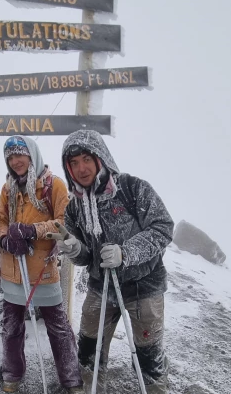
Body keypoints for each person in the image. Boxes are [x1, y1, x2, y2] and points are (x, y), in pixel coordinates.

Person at [49, 130, 173, 394]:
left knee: (147, 354)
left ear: (100, 158)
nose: (81, 168)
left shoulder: (132, 188)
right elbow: (86, 257)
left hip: (144, 286)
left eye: (86, 159)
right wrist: (73, 247)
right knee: (88, 348)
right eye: (73, 163)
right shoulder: (75, 207)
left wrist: (126, 252)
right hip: (100, 285)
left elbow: (163, 227)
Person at [0, 135, 83, 394]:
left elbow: (64, 222)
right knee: (11, 327)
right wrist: (5, 239)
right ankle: (12, 375)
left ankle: (71, 379)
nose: (16, 161)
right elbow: (0, 218)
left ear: (32, 155)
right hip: (12, 269)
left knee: (58, 328)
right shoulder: (7, 188)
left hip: (43, 270)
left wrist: (32, 231)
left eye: (20, 155)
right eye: (10, 157)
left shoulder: (53, 185)